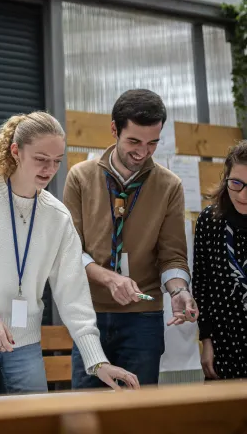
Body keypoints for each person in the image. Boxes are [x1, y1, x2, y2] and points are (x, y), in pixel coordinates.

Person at [0, 111, 139, 399]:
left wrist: (97, 359)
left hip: (25, 343)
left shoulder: (57, 216)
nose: (49, 169)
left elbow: (73, 295)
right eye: (41, 159)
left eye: (57, 161)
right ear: (16, 151)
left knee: (35, 424)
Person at [63, 89, 199, 389]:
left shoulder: (170, 186)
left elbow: (173, 255)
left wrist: (178, 291)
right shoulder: (80, 177)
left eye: (152, 143)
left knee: (138, 415)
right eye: (134, 142)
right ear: (114, 129)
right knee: (87, 414)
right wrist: (110, 279)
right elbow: (69, 251)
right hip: (89, 316)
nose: (142, 152)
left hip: (143, 321)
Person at [193, 141, 247, 380]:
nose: (243, 195)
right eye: (236, 183)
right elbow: (202, 286)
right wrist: (206, 341)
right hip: (225, 347)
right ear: (226, 179)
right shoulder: (210, 221)